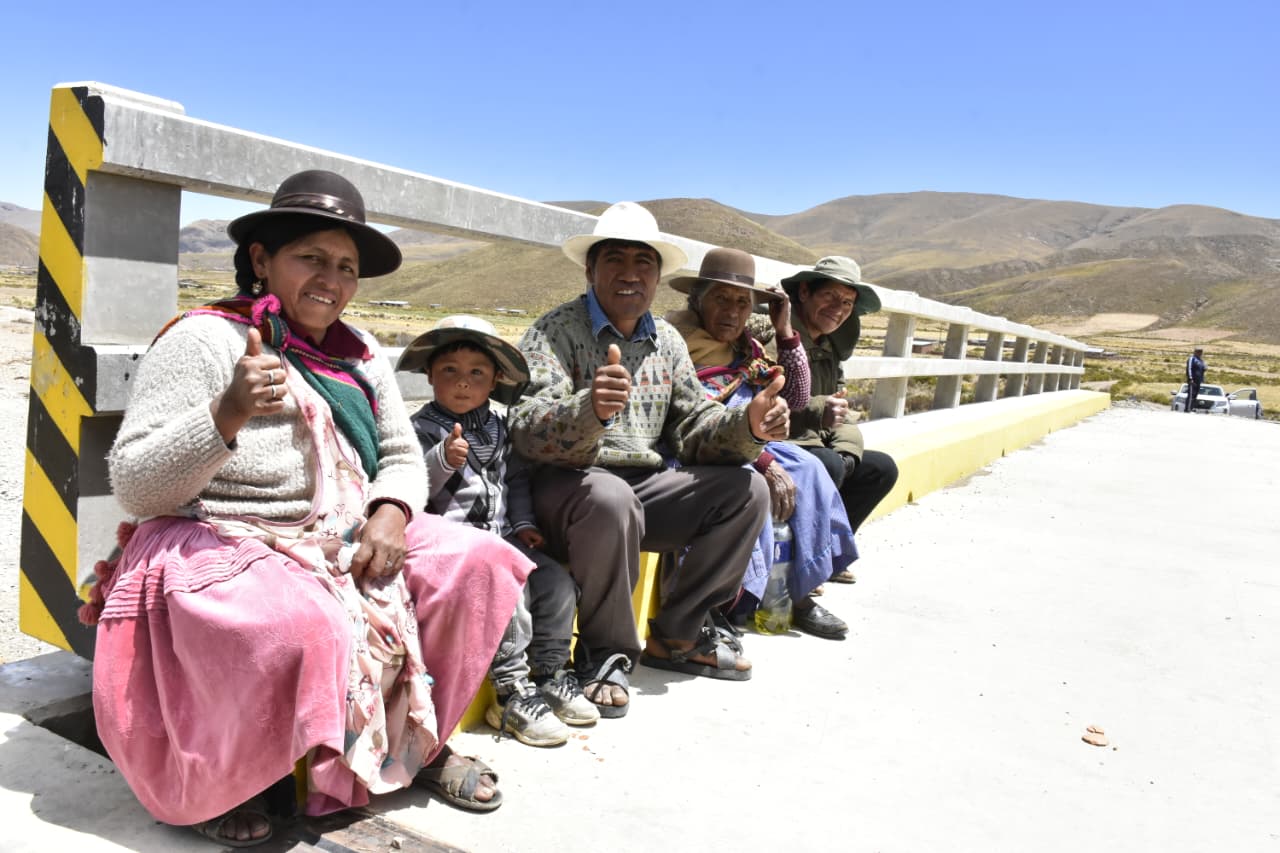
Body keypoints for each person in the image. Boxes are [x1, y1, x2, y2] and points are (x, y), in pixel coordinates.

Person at [83, 170, 531, 846]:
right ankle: (219, 781)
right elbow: (137, 485)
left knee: (482, 563)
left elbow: (404, 456)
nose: (332, 279)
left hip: (334, 526)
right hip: (213, 531)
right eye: (311, 258)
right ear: (262, 259)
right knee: (301, 620)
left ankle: (412, 748)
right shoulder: (203, 341)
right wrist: (227, 412)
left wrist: (391, 510)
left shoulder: (358, 353)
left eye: (346, 266)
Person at [507, 201, 790, 718]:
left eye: (645, 263)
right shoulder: (553, 332)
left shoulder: (668, 341)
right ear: (591, 269)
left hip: (644, 486)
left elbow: (692, 428)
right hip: (569, 485)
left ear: (659, 276)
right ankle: (605, 655)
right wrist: (588, 409)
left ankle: (679, 635)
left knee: (746, 491)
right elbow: (525, 429)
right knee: (610, 499)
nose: (630, 274)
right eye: (615, 260)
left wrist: (747, 426)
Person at [399, 315, 598, 747]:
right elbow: (411, 485)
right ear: (430, 375)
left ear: (495, 383)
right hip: (456, 547)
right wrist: (443, 460)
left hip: (502, 537)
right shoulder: (419, 428)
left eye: (477, 373)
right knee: (511, 598)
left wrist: (523, 524)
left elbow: (516, 481)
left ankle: (549, 670)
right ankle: (510, 690)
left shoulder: (499, 428)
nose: (463, 383)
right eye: (450, 371)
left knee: (556, 584)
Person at [666, 247, 857, 639]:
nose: (733, 311)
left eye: (742, 302)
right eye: (720, 298)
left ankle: (796, 596)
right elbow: (686, 418)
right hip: (701, 441)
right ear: (697, 300)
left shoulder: (747, 345)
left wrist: (785, 330)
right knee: (751, 483)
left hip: (749, 433)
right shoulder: (678, 341)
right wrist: (763, 459)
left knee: (809, 467)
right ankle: (728, 601)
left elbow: (798, 398)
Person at [782, 256, 900, 578]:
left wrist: (848, 453)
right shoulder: (780, 336)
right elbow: (770, 403)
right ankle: (803, 564)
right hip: (781, 442)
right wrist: (820, 411)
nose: (839, 307)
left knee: (879, 468)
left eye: (847, 301)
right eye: (830, 296)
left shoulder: (830, 348)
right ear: (804, 292)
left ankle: (831, 553)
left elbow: (841, 408)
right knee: (827, 464)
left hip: (814, 443)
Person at [1185, 347, 1206, 413]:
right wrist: (1190, 378)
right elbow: (1189, 368)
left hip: (1198, 381)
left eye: (1201, 352)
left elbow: (1202, 369)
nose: (1200, 353)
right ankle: (1187, 409)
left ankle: (1191, 408)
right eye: (1198, 351)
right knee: (1191, 394)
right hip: (1193, 380)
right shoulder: (1192, 358)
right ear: (1195, 352)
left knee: (1195, 395)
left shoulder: (1201, 360)